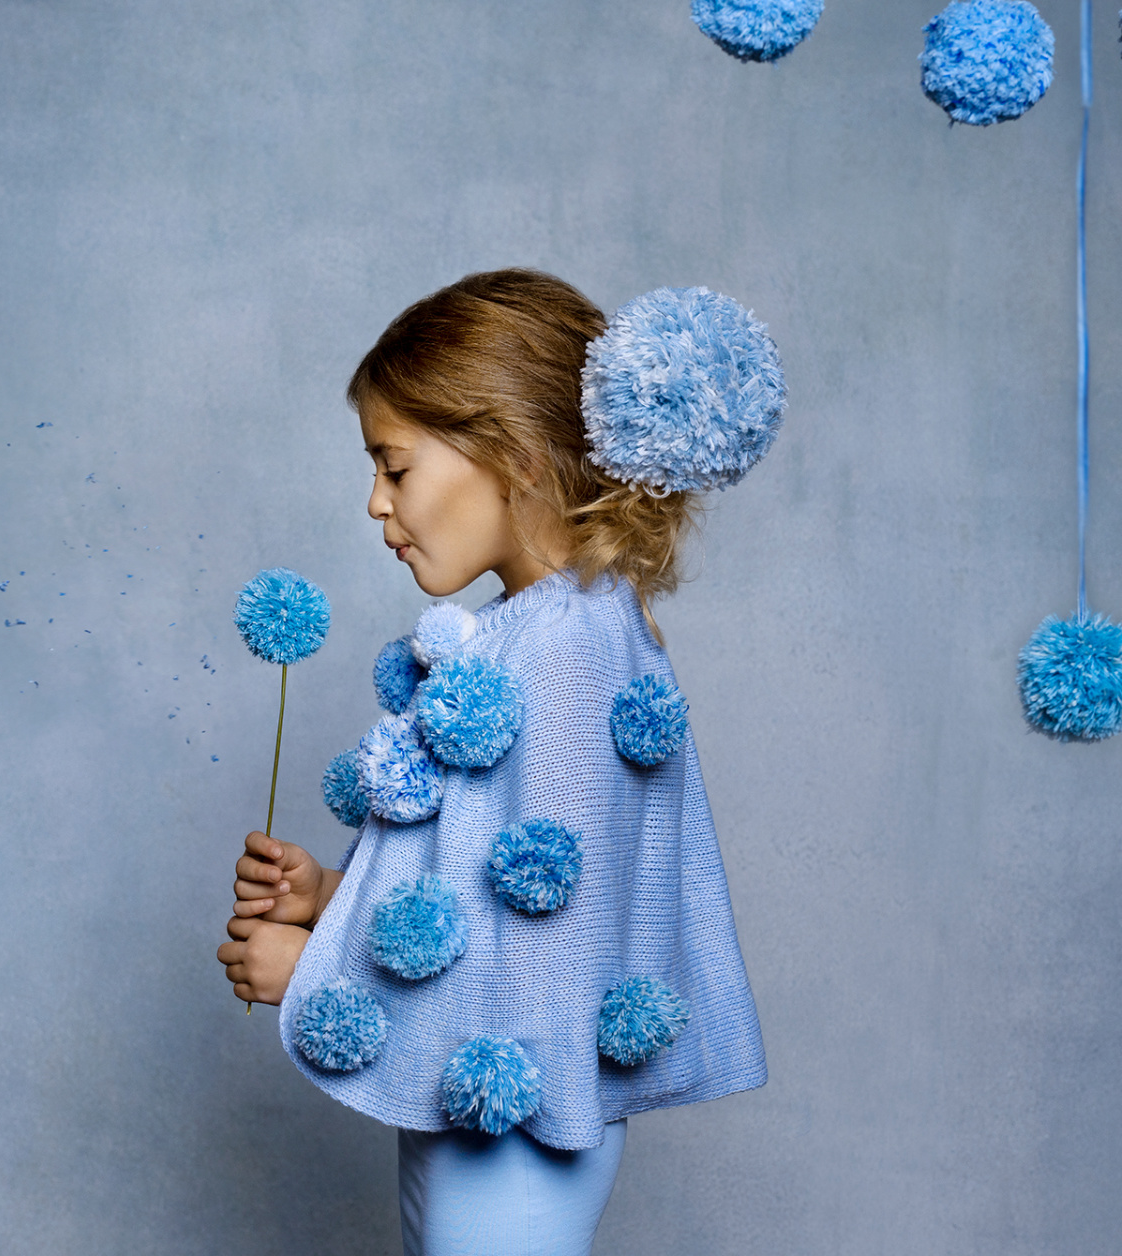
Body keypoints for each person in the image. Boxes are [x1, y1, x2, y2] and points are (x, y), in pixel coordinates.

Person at [216, 269, 767, 1255]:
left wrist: (312, 974)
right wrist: (337, 895)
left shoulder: (565, 646)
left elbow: (545, 970)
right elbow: (498, 894)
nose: (375, 503)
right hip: (486, 1122)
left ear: (509, 454)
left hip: (515, 1132)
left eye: (395, 465)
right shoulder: (543, 631)